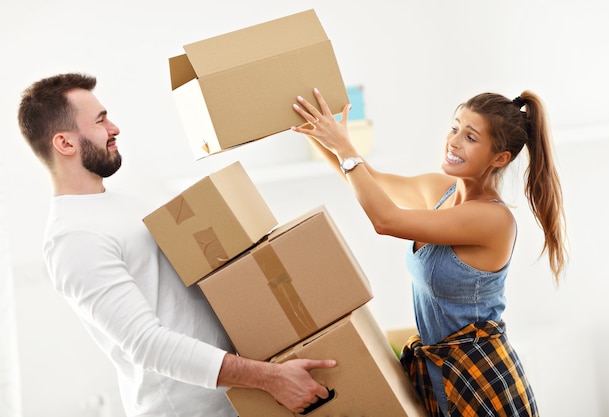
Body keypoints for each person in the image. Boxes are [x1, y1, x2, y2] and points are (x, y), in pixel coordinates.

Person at [17, 73, 336, 417]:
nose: (115, 128)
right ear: (65, 144)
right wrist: (270, 378)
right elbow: (146, 344)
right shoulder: (73, 238)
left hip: (237, 400)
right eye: (100, 120)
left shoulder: (127, 203)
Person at [292, 88, 566, 416]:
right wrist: (317, 133)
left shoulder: (492, 219)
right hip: (440, 377)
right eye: (454, 128)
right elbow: (368, 181)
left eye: (470, 137)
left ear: (499, 158)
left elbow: (385, 220)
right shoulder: (440, 190)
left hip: (482, 381)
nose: (454, 141)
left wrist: (344, 147)